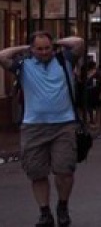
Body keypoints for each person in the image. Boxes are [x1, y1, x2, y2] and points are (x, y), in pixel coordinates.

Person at [0, 31, 84, 227]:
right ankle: (44, 212)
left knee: (65, 170)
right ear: (32, 49)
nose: (44, 52)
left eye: (47, 48)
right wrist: (24, 48)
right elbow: (2, 56)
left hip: (64, 125)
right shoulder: (23, 65)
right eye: (39, 49)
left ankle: (62, 206)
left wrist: (55, 42)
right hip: (34, 127)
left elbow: (78, 42)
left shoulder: (65, 60)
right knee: (37, 172)